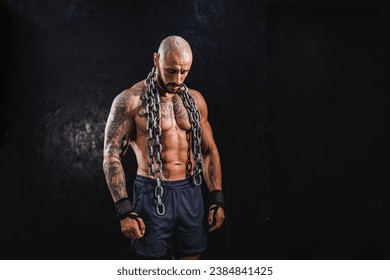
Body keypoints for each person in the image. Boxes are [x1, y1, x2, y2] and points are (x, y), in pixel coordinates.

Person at [103, 35, 225, 260]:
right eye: (170, 71)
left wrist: (217, 198)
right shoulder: (130, 100)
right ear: (156, 59)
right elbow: (111, 155)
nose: (178, 79)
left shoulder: (195, 100)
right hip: (151, 193)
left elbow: (209, 150)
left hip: (190, 191)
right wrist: (123, 209)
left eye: (184, 71)